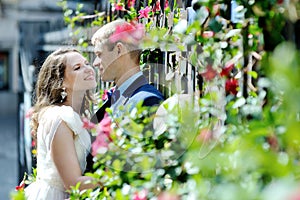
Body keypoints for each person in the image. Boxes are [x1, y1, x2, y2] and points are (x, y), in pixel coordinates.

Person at [24, 48, 100, 199]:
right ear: (61, 82)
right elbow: (73, 183)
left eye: (86, 63)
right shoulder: (60, 117)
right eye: (78, 68)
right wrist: (118, 178)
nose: (88, 69)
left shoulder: (77, 113)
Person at [90, 19, 164, 123]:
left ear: (119, 50)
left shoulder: (148, 101)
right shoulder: (116, 96)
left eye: (99, 54)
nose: (95, 63)